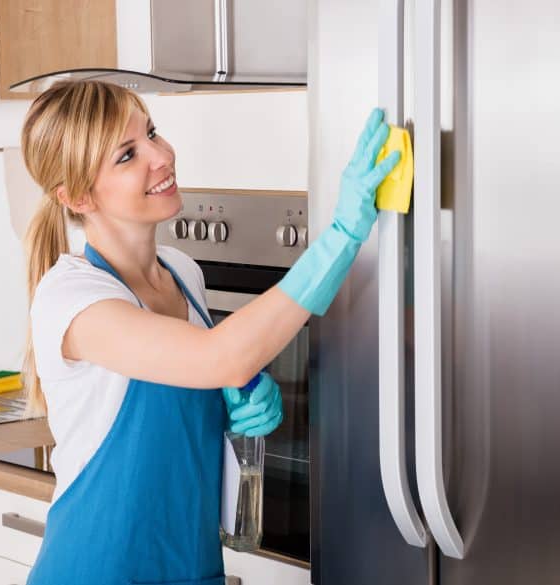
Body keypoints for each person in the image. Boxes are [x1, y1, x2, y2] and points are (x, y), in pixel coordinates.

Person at [21, 79, 399, 585]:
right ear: (79, 196)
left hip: (193, 570)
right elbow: (221, 356)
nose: (161, 156)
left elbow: (194, 393)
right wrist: (343, 235)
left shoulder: (183, 273)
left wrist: (231, 412)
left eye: (152, 133)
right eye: (128, 154)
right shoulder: (71, 297)